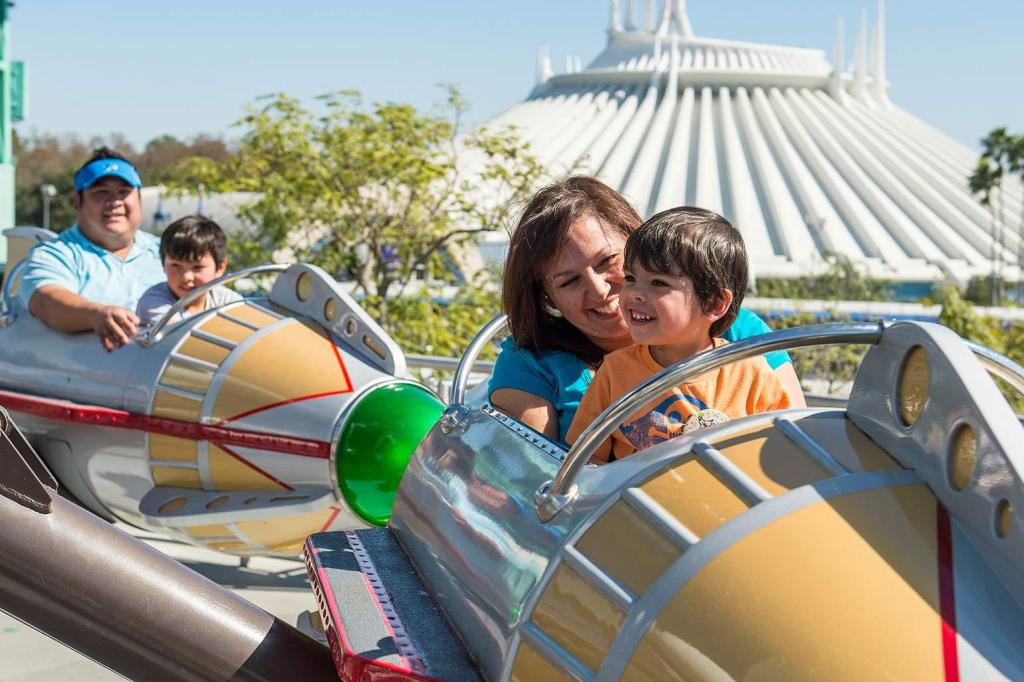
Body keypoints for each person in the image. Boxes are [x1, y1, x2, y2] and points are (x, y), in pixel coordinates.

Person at [488, 176, 805, 445]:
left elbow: (795, 439)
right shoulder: (529, 363)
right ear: (546, 296)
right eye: (570, 281)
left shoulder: (739, 332)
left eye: (609, 262)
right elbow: (539, 475)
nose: (600, 290)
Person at [566, 207, 791, 462]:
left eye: (658, 283)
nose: (634, 293)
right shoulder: (615, 372)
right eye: (630, 277)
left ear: (715, 303)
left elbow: (783, 454)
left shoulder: (751, 374)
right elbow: (586, 460)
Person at [18, 148, 165, 351]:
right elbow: (46, 302)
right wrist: (97, 315)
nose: (114, 202)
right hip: (90, 378)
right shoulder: (54, 254)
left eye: (124, 191)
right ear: (78, 201)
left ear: (139, 198)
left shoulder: (167, 251)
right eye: (100, 192)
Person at [136, 215, 242, 327]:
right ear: (163, 265)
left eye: (197, 267)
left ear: (220, 268)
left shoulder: (226, 299)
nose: (186, 277)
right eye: (175, 265)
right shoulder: (153, 303)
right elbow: (182, 335)